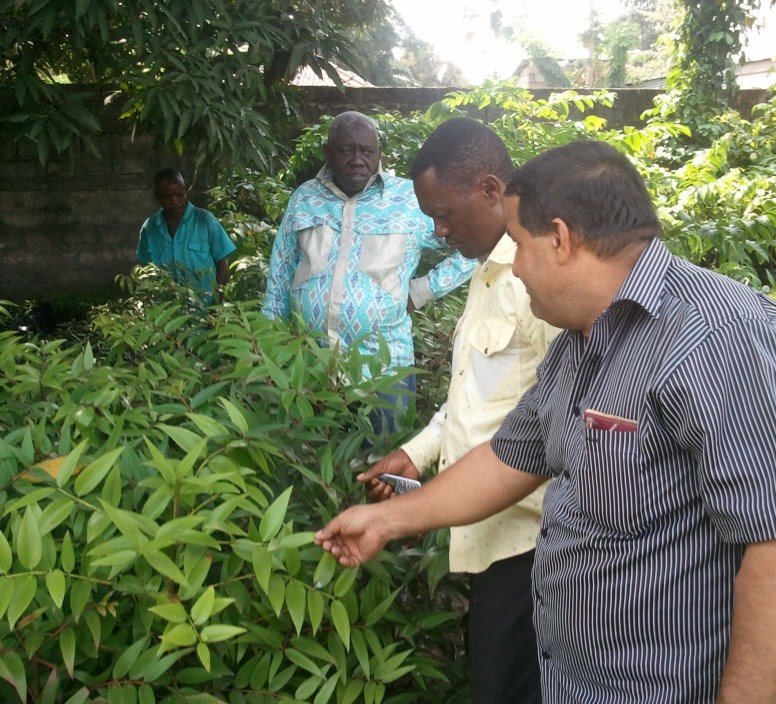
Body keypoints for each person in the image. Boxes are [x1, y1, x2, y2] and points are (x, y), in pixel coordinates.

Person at [316, 140, 776, 703]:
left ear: (560, 239)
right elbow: (512, 454)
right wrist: (389, 522)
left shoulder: (721, 339)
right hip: (582, 679)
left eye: (518, 244)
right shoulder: (583, 339)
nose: (512, 263)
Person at [357, 118, 560, 704]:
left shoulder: (535, 281)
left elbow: (565, 415)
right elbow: (475, 395)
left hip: (530, 541)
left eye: (445, 214)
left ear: (492, 190)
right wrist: (418, 452)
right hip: (487, 529)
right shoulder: (485, 273)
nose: (439, 231)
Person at [262, 111, 475, 428]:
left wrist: (420, 291)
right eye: (347, 150)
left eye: (366, 151)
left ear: (379, 154)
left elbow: (471, 246)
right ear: (328, 153)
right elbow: (280, 275)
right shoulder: (305, 198)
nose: (357, 160)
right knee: (313, 461)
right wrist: (270, 350)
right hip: (308, 367)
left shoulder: (409, 200)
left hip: (384, 372)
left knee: (383, 466)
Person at [137, 168, 235, 304]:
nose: (174, 201)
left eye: (179, 194)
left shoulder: (205, 220)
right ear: (157, 196)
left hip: (204, 311)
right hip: (166, 313)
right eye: (167, 197)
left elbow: (223, 265)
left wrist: (217, 307)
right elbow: (146, 271)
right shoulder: (150, 228)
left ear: (185, 190)